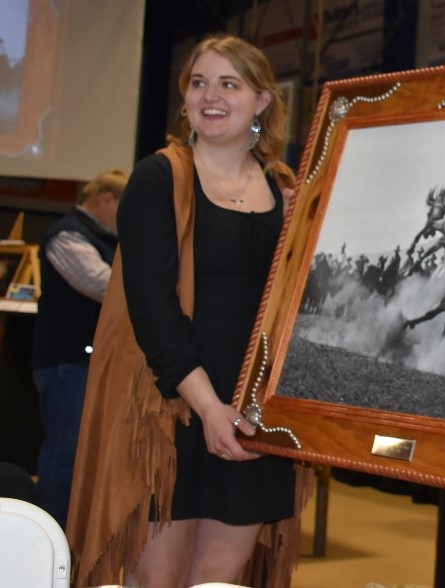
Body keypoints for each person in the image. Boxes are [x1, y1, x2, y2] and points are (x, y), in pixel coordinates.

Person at [67, 35, 305, 588]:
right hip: (172, 405)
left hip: (253, 410)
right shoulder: (159, 177)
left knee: (221, 579)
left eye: (229, 83)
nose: (211, 95)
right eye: (199, 83)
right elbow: (152, 308)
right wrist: (209, 409)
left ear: (262, 101)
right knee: (160, 581)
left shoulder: (285, 187)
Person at [30, 168, 126, 528]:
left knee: (86, 456)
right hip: (67, 364)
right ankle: (51, 541)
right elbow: (101, 285)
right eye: (123, 206)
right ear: (105, 199)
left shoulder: (104, 237)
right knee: (65, 455)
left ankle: (74, 539)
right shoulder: (67, 234)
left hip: (89, 364)